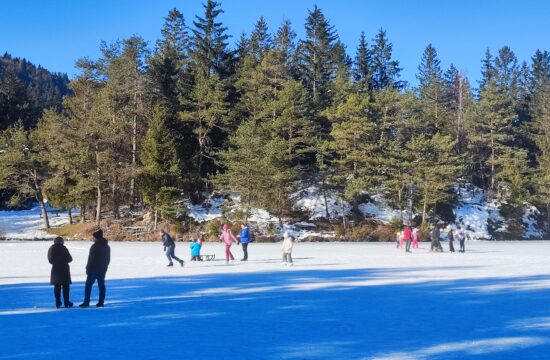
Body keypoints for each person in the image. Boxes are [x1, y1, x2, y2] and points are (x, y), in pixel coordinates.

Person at [79, 228, 111, 308]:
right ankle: (101, 302)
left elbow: (91, 259)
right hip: (102, 269)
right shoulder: (107, 246)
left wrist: (88, 268)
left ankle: (86, 302)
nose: (93, 239)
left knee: (88, 285)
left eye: (93, 237)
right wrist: (105, 267)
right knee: (101, 285)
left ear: (96, 238)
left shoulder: (94, 246)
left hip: (93, 269)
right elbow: (108, 259)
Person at [47, 236, 73, 308]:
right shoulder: (64, 248)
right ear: (61, 242)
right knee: (66, 287)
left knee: (57, 287)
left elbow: (50, 260)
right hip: (64, 269)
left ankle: (58, 302)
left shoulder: (51, 249)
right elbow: (70, 259)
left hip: (56, 270)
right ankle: (66, 302)